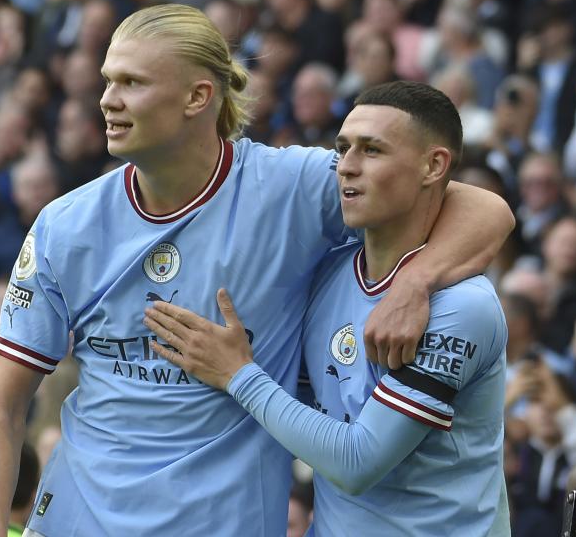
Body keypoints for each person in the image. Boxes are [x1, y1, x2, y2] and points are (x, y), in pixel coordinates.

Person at [0, 5, 514, 536]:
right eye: (108, 81)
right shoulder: (66, 225)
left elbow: (479, 206)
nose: (107, 100)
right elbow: (0, 405)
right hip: (76, 521)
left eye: (132, 83)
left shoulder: (290, 189)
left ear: (198, 96)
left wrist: (415, 282)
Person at [145, 81, 510, 535]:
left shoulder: (462, 307)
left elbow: (358, 462)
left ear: (433, 166)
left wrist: (238, 374)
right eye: (343, 148)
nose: (346, 167)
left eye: (372, 151)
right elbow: (297, 404)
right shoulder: (329, 273)